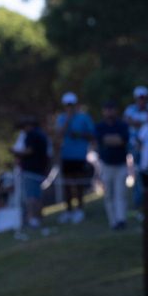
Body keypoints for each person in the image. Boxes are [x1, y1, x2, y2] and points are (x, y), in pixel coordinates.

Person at [55, 92, 94, 224]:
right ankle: (68, 210)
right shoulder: (61, 118)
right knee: (67, 184)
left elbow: (92, 135)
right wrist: (67, 120)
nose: (69, 107)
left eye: (71, 105)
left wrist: (80, 134)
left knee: (79, 184)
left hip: (80, 155)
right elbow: (59, 134)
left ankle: (79, 210)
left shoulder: (84, 118)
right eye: (67, 105)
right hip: (66, 155)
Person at [95, 102, 130, 230]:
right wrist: (115, 139)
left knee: (120, 193)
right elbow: (102, 140)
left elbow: (122, 140)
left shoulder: (122, 125)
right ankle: (113, 221)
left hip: (121, 164)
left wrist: (111, 139)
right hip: (106, 165)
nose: (109, 112)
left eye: (111, 109)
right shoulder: (100, 126)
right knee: (109, 194)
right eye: (107, 110)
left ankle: (121, 220)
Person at [11, 117, 50, 228]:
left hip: (30, 170)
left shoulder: (32, 135)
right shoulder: (41, 134)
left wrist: (15, 152)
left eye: (23, 127)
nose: (22, 130)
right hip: (40, 169)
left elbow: (29, 151)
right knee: (37, 194)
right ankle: (39, 218)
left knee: (31, 196)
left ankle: (33, 218)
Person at [124, 85, 148, 209]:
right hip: (134, 147)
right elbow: (127, 121)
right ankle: (138, 202)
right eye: (139, 98)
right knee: (136, 175)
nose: (141, 100)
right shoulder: (130, 109)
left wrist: (137, 123)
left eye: (143, 98)